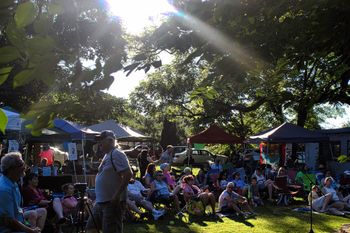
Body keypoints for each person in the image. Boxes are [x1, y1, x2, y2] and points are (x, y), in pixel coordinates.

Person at [86, 130, 132, 233]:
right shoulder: (107, 155)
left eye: (101, 140)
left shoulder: (117, 153)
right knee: (90, 228)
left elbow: (128, 174)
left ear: (110, 141)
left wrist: (116, 195)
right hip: (101, 201)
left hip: (112, 202)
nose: (99, 143)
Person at [0, 152, 41, 233]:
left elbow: (17, 212)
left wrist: (28, 226)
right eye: (21, 165)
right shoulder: (4, 189)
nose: (24, 167)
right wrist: (31, 231)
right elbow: (9, 221)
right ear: (11, 169)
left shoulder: (13, 183)